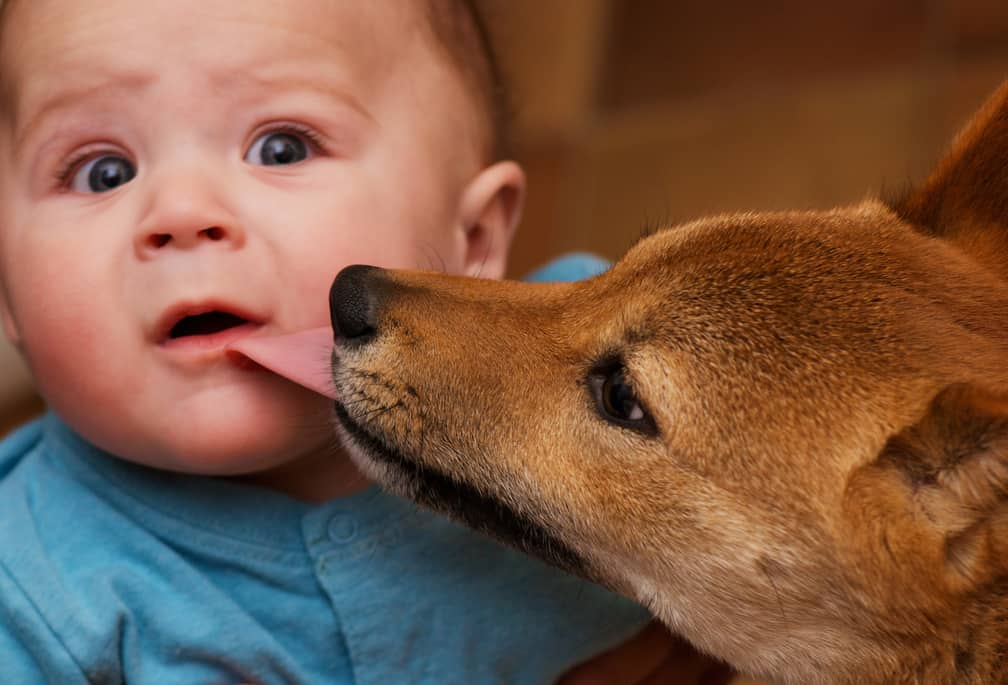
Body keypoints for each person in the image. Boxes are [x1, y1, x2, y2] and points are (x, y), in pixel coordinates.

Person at [0, 0, 729, 682]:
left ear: (471, 237)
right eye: (103, 172)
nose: (181, 213)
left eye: (281, 149)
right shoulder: (26, 591)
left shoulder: (607, 385)